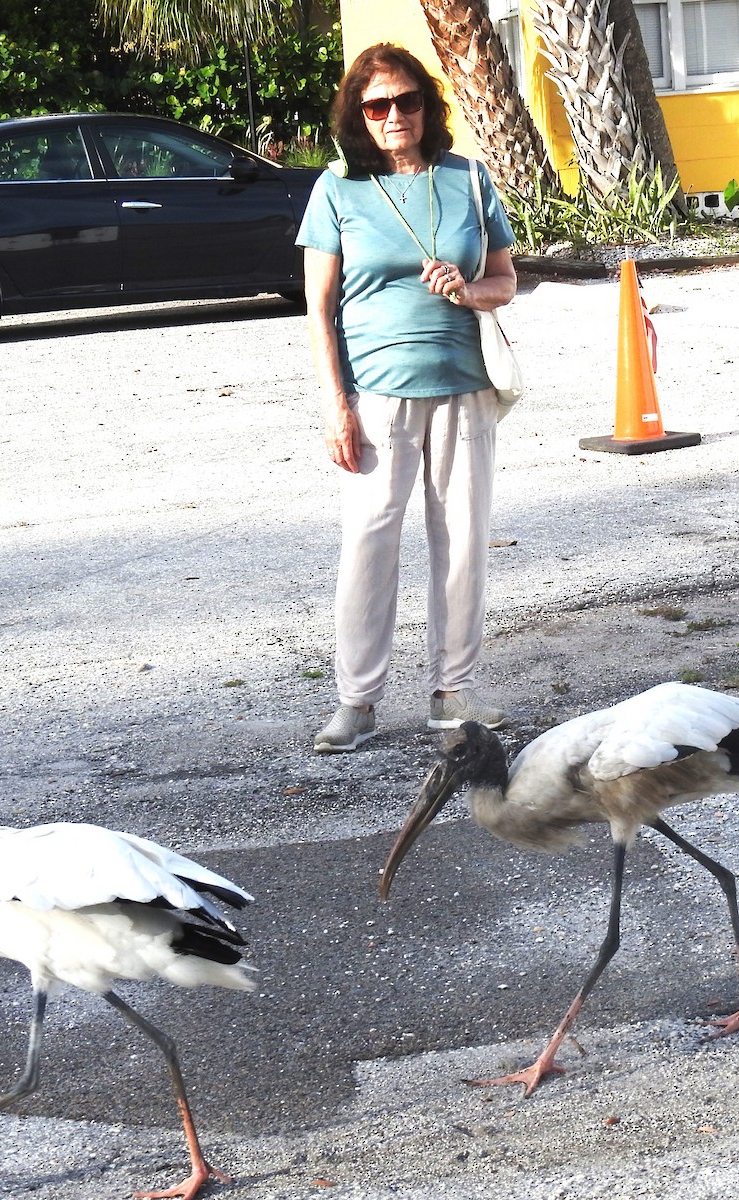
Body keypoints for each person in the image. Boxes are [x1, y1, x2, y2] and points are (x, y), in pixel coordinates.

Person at [296, 42, 518, 754]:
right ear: (358, 115)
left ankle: (452, 694)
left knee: (460, 547)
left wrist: (468, 287)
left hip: (463, 388)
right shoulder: (336, 188)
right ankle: (356, 702)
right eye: (377, 105)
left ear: (427, 104)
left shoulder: (468, 180)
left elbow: (505, 281)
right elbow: (318, 308)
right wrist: (336, 403)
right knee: (368, 544)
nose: (395, 115)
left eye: (407, 100)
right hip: (377, 396)